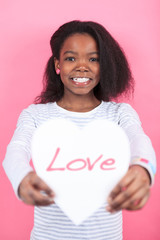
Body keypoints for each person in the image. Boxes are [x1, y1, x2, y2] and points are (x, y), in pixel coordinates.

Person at [3, 20, 156, 240]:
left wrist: (143, 170)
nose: (81, 66)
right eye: (71, 58)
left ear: (104, 66)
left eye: (93, 59)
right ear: (58, 64)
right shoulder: (35, 115)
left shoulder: (120, 114)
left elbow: (139, 141)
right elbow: (16, 151)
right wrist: (22, 178)